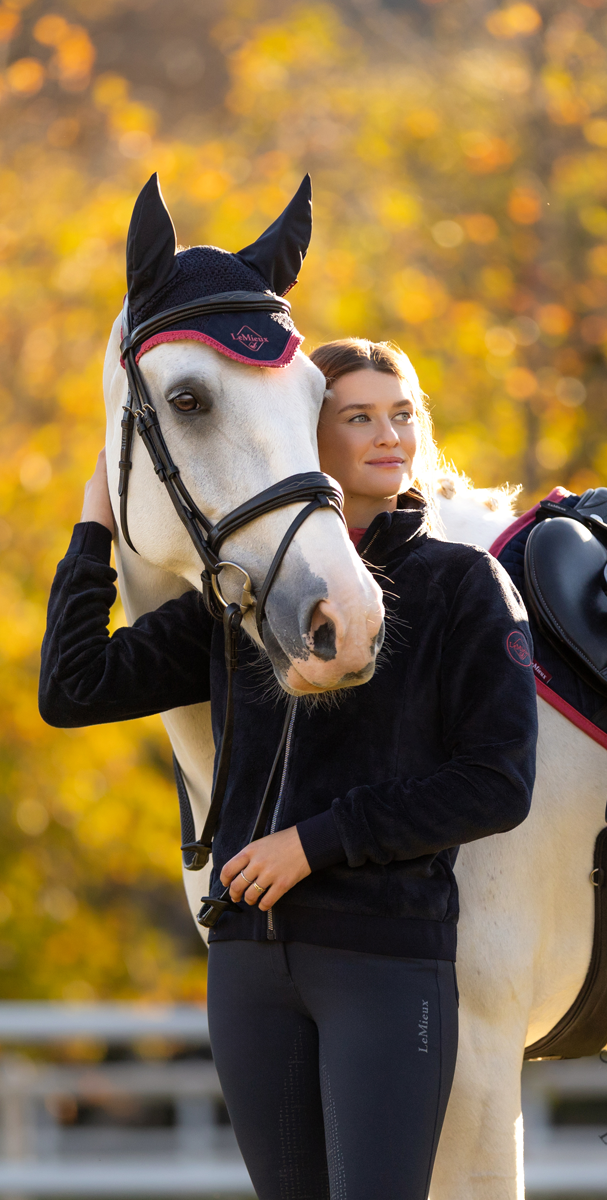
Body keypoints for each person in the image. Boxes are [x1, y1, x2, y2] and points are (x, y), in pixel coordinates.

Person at [40, 336, 538, 1200]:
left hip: (383, 960)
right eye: (360, 418)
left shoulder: (465, 585)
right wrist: (92, 532)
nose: (392, 436)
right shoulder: (236, 599)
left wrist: (315, 843)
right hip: (247, 967)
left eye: (402, 415)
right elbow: (73, 688)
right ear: (307, 435)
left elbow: (498, 783)